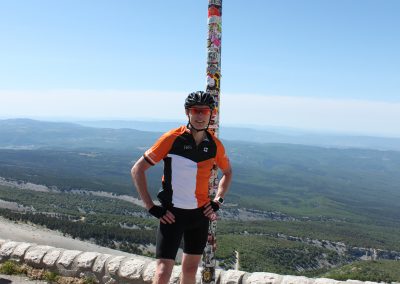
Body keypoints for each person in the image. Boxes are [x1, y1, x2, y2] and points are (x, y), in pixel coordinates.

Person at [131, 91, 232, 284]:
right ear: (188, 113)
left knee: (190, 270)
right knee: (162, 273)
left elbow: (228, 173)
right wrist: (151, 207)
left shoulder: (215, 145)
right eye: (196, 111)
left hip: (199, 216)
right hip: (172, 215)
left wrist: (218, 200)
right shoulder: (172, 139)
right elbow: (137, 170)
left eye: (205, 111)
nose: (200, 115)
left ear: (211, 113)